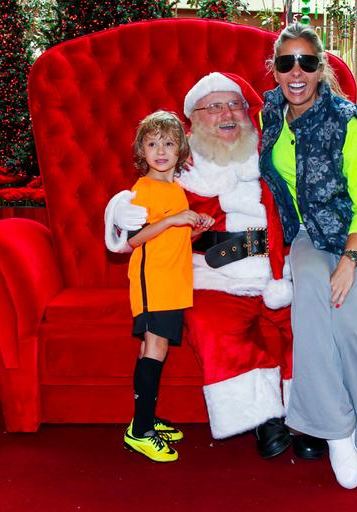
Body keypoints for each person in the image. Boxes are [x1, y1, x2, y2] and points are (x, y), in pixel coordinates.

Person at [105, 73, 328, 461]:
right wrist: (120, 211)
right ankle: (265, 418)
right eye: (215, 106)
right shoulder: (181, 168)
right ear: (193, 119)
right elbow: (139, 201)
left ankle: (308, 418)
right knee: (216, 332)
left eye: (235, 104)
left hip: (280, 275)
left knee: (307, 331)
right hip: (216, 277)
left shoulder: (273, 155)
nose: (227, 113)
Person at [259, 23, 357, 489]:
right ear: (275, 70)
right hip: (308, 238)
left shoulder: (346, 118)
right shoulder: (269, 113)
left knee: (346, 326)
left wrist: (349, 259)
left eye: (306, 62)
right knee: (312, 317)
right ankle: (337, 430)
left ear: (321, 69)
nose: (295, 72)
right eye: (286, 62)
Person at [122, 110, 214, 463]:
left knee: (153, 347)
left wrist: (194, 231)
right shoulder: (142, 190)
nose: (160, 150)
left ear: (181, 151)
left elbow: (170, 238)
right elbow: (134, 240)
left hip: (173, 279)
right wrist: (174, 219)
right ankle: (141, 431)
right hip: (153, 282)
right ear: (141, 150)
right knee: (155, 347)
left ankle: (144, 418)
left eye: (169, 143)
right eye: (152, 143)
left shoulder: (173, 188)